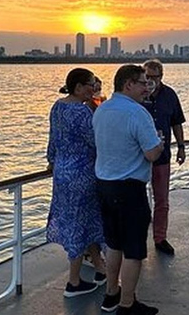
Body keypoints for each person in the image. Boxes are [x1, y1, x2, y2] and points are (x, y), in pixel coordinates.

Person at [93, 65, 164, 315]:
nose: (148, 88)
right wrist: (161, 141)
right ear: (128, 84)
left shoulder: (101, 111)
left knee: (113, 245)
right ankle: (127, 304)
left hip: (104, 185)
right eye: (143, 83)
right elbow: (151, 153)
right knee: (133, 250)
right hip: (130, 189)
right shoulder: (138, 113)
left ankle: (111, 294)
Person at [46, 68, 107, 297]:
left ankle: (100, 268)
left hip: (62, 171)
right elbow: (95, 141)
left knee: (86, 219)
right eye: (90, 84)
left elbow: (53, 138)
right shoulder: (82, 113)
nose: (94, 88)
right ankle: (73, 281)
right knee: (79, 225)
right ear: (79, 87)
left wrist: (52, 160)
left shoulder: (58, 107)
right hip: (82, 173)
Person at [142, 59, 186, 255]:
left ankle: (160, 238)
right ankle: (138, 237)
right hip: (138, 157)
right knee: (139, 200)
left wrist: (182, 146)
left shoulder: (170, 95)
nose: (149, 81)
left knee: (162, 200)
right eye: (146, 76)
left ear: (161, 76)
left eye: (154, 77)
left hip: (162, 155)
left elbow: (177, 122)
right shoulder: (137, 95)